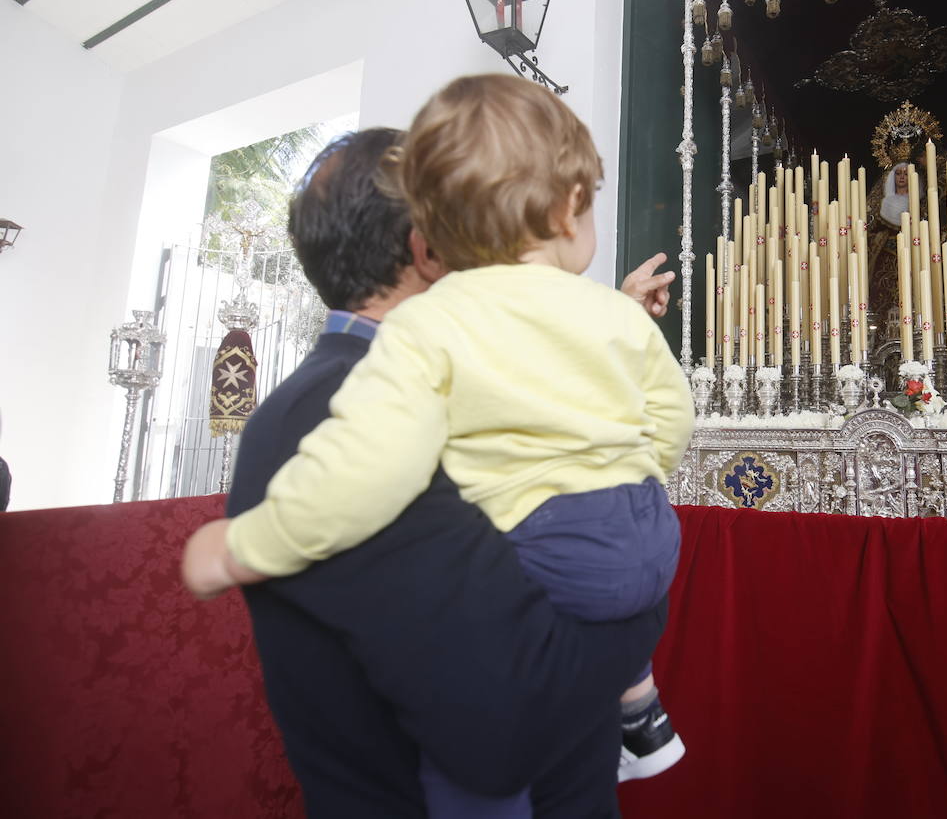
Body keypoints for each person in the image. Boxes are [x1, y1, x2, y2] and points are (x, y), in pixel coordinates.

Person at [187, 126, 679, 818]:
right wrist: (647, 591)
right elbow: (505, 717)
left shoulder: (422, 388)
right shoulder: (338, 418)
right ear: (434, 249)